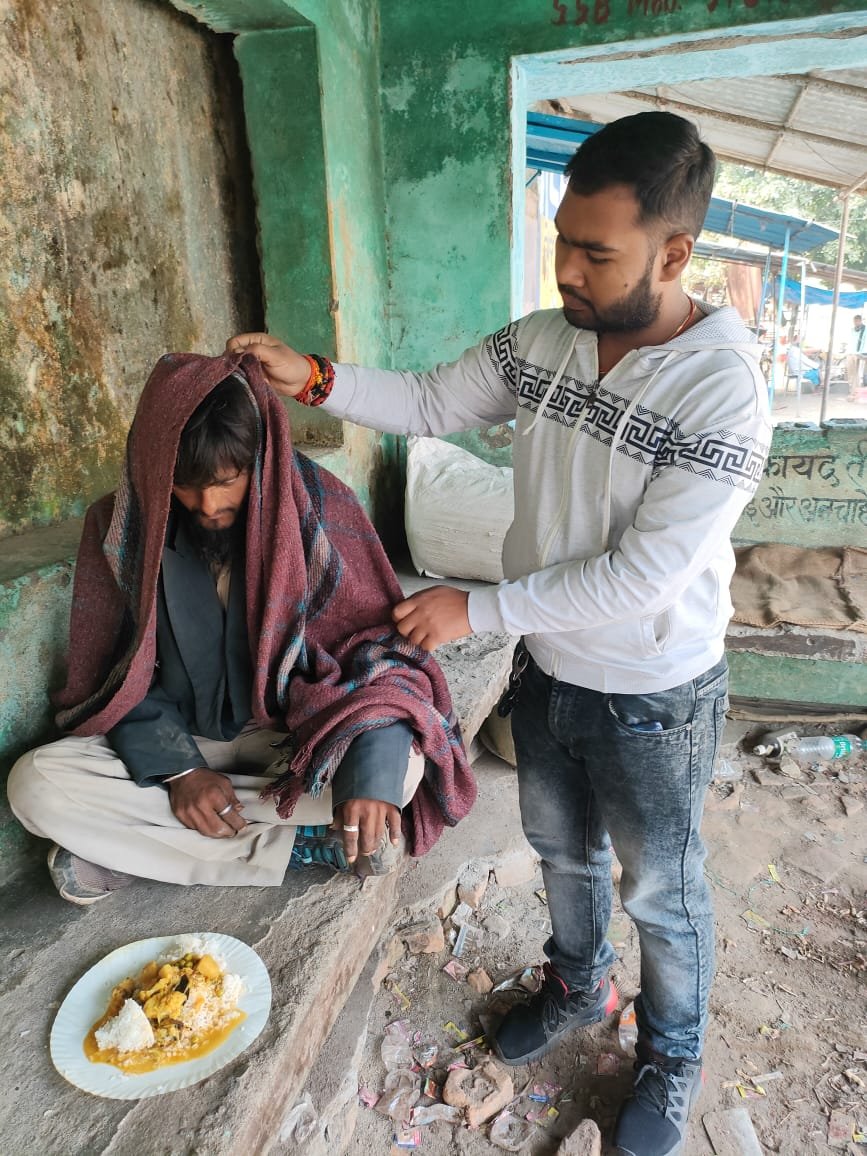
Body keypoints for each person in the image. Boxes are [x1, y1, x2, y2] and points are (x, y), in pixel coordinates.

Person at [229, 111, 772, 1156]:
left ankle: (671, 1052)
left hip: (656, 690)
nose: (568, 268)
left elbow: (644, 571)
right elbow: (434, 399)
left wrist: (475, 609)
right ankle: (575, 986)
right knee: (561, 855)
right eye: (564, 239)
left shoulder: (723, 388)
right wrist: (318, 378)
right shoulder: (544, 341)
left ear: (675, 252)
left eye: (596, 252)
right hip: (553, 671)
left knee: (661, 889)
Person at [7, 353, 475, 904]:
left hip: (297, 742)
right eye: (185, 484)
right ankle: (296, 845)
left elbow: (382, 660)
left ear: (261, 457)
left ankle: (138, 844)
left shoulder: (321, 509)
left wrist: (367, 782)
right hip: (181, 739)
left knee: (398, 772)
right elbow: (113, 675)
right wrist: (180, 772)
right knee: (34, 785)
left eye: (227, 481)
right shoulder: (122, 528)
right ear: (156, 467)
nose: (208, 505)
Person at [846, 313, 866, 400]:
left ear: (860, 321)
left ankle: (857, 392)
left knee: (858, 373)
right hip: (851, 353)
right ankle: (852, 391)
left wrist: (863, 354)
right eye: (854, 321)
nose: (856, 322)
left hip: (860, 353)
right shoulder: (852, 330)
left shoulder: (865, 329)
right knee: (851, 373)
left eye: (857, 321)